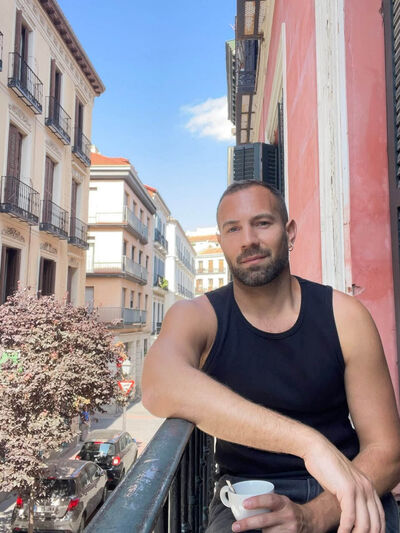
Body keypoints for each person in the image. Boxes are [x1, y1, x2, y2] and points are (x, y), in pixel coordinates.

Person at [142, 180, 400, 532]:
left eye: (262, 223)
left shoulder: (345, 315)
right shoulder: (197, 315)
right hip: (248, 494)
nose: (248, 240)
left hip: (345, 483)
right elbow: (158, 384)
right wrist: (309, 444)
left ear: (289, 232)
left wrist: (314, 516)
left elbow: (388, 450)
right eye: (233, 229)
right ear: (221, 242)